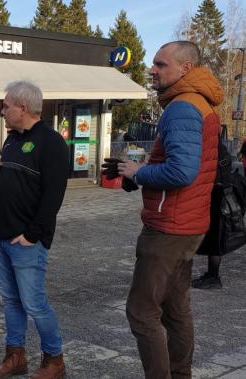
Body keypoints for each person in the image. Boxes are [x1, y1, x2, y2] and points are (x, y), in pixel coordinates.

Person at [106, 41, 223, 378]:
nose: (152, 70)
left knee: (141, 312)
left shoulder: (183, 107)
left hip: (169, 226)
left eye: (161, 64)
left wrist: (137, 172)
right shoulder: (199, 103)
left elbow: (182, 172)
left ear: (186, 69)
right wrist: (140, 168)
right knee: (175, 310)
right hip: (189, 222)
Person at [0, 81, 69, 379]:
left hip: (26, 240)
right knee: (11, 300)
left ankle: (54, 360)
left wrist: (33, 234)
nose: (2, 111)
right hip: (1, 235)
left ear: (22, 107)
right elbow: (9, 184)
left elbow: (53, 195)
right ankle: (15, 357)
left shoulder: (51, 142)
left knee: (34, 303)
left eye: (6, 105)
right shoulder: (10, 140)